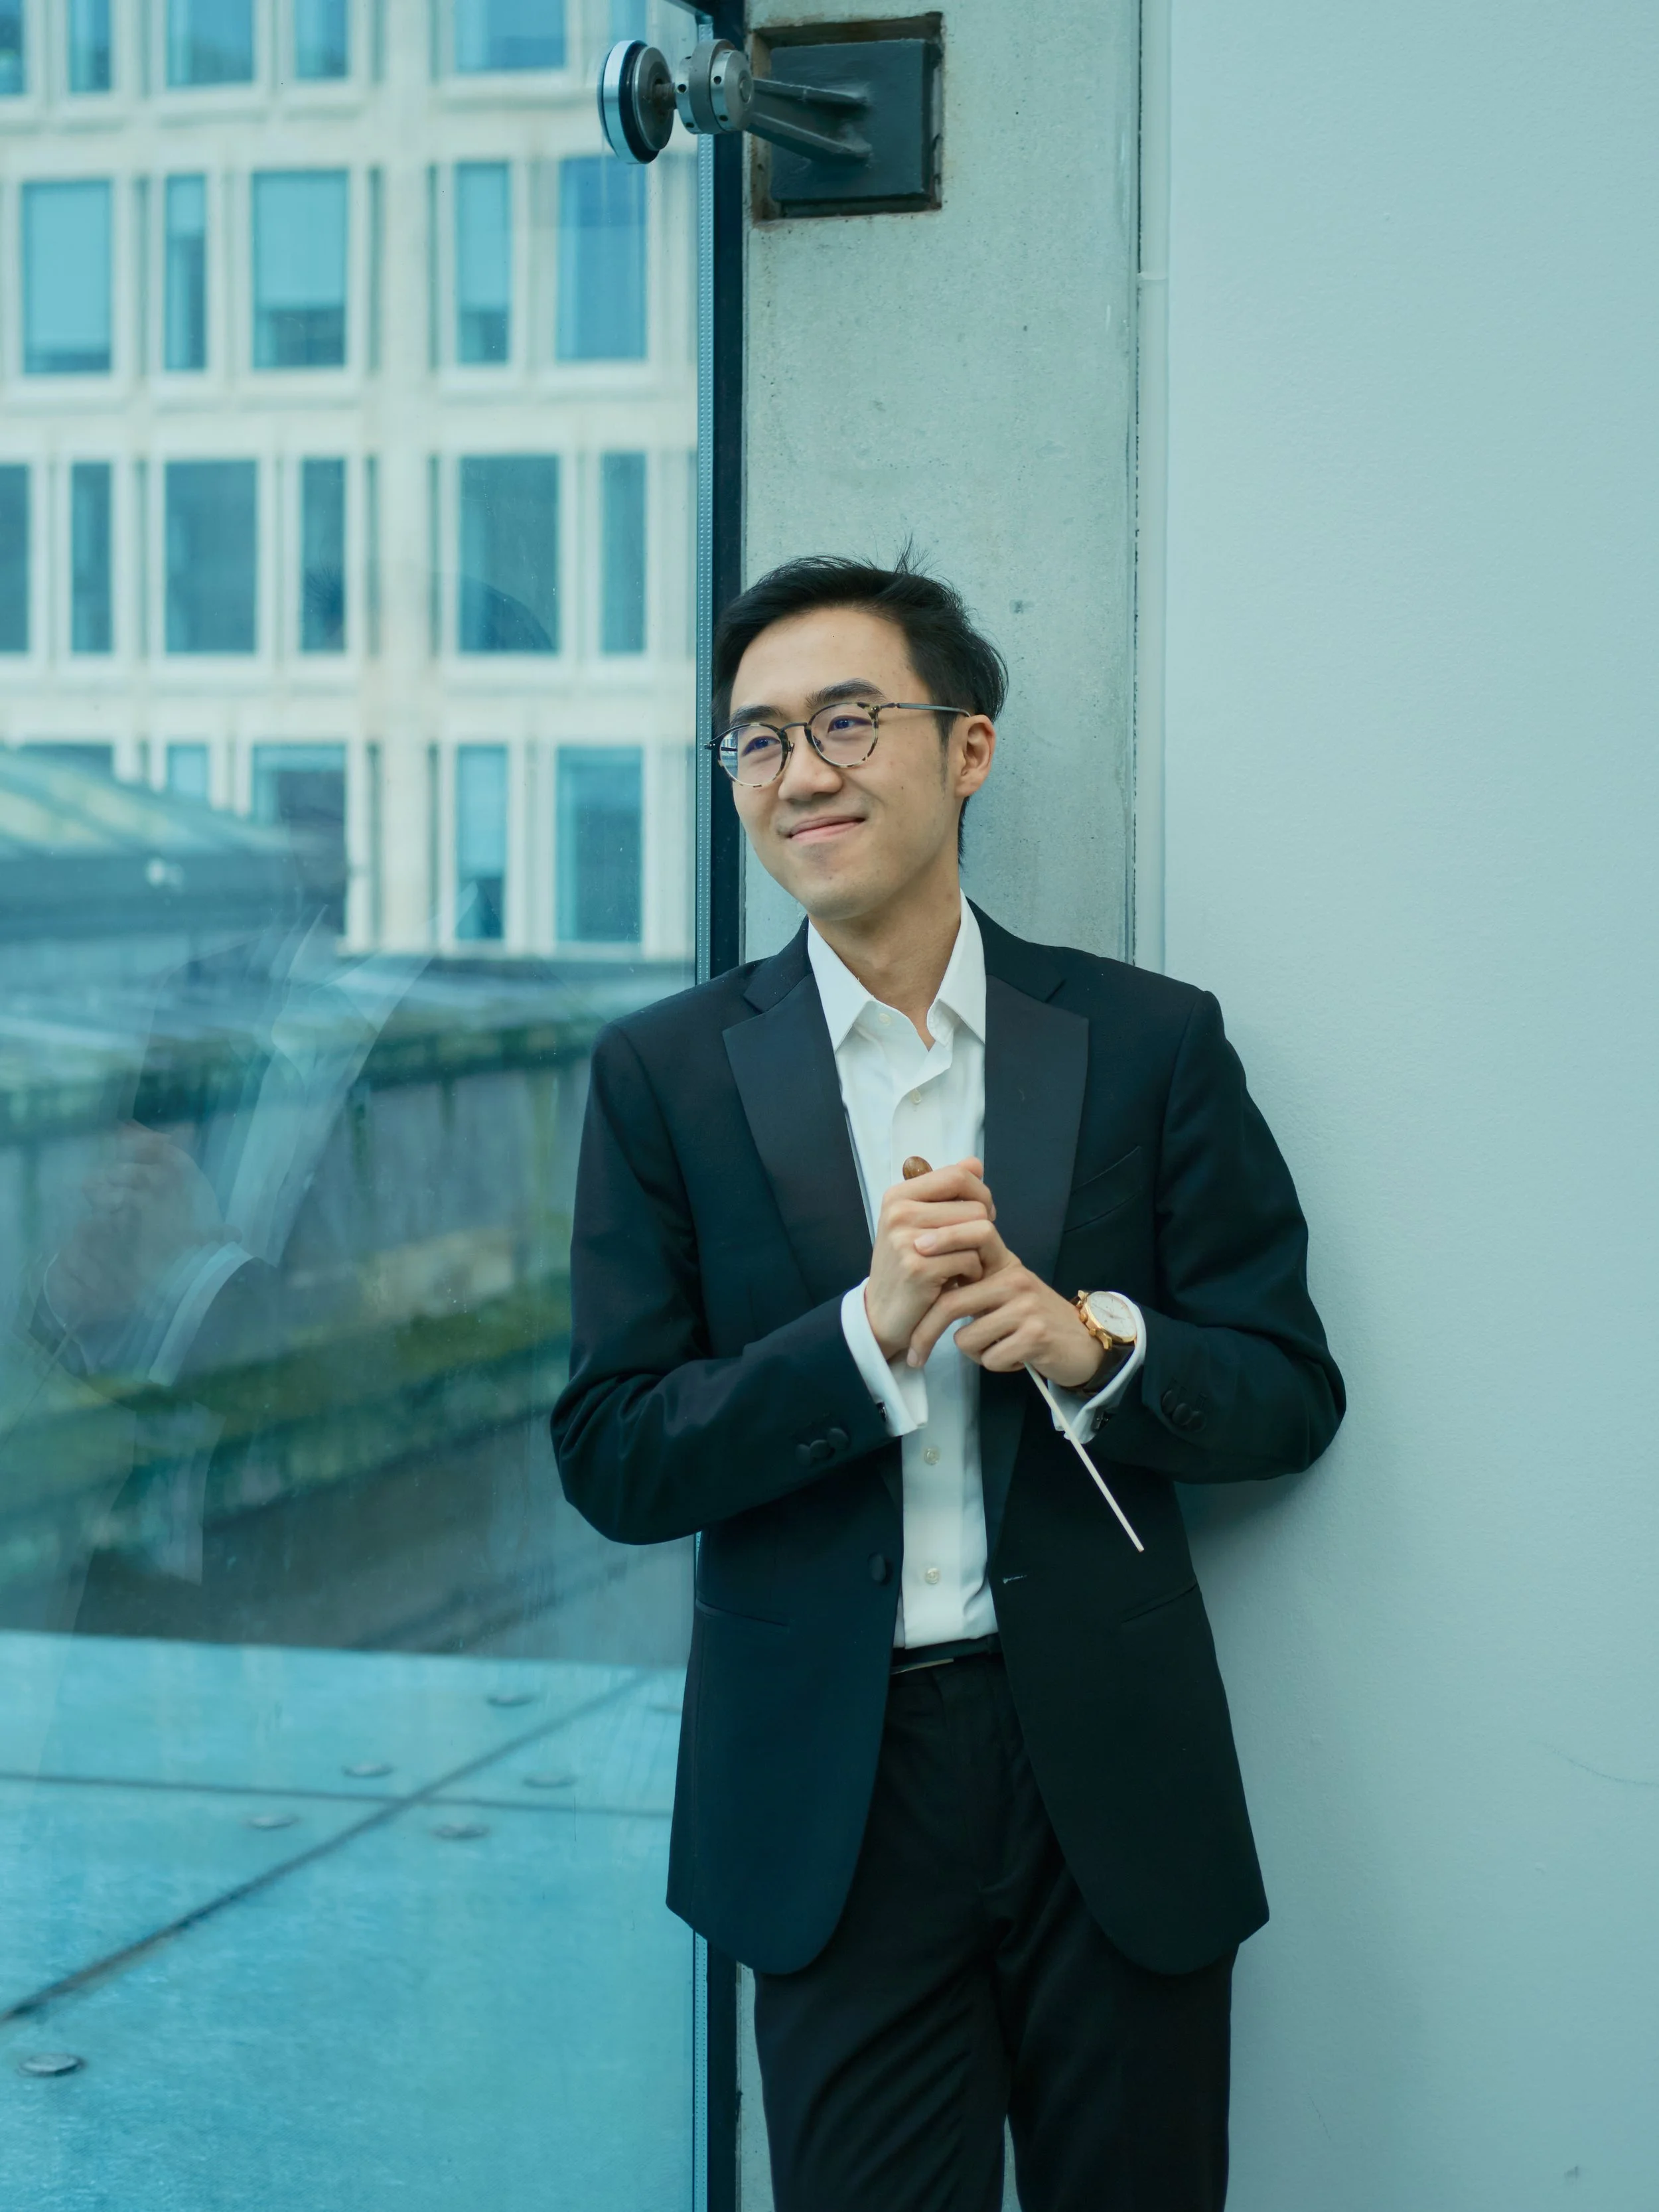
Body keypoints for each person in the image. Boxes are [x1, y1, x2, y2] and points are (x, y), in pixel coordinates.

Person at [551, 555, 1344, 2211]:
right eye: (756, 740)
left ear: (965, 750)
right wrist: (861, 1337)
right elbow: (615, 1456)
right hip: (830, 1802)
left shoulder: (1144, 1041)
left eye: (847, 718)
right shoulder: (664, 1074)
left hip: (1108, 1782)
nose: (801, 770)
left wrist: (1089, 1347)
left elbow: (1287, 1390)